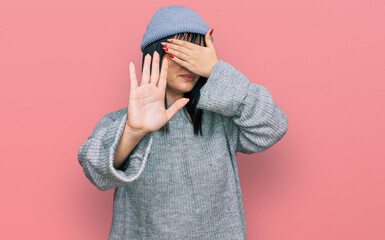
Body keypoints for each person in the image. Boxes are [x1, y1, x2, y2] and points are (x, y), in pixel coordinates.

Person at [78, 5, 288, 240]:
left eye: (196, 56)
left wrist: (216, 71)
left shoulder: (222, 120)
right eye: (177, 52)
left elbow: (273, 125)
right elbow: (94, 170)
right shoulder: (124, 122)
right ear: (155, 54)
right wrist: (133, 131)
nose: (189, 65)